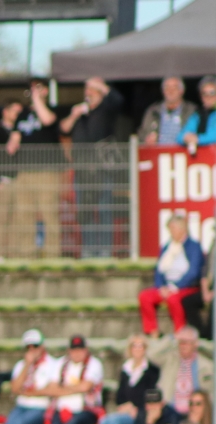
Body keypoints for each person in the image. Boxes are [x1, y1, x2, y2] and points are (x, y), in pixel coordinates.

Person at [60, 77, 126, 258]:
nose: (88, 94)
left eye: (92, 91)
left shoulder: (106, 109)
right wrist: (74, 115)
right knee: (85, 211)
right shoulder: (80, 113)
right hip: (82, 170)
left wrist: (101, 86)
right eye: (87, 91)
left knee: (104, 209)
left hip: (102, 169)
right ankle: (88, 251)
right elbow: (63, 129)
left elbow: (118, 100)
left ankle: (105, 251)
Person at [142, 214, 205, 337]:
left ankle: (179, 331)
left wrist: (175, 286)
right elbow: (159, 270)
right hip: (166, 287)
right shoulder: (166, 247)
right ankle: (152, 331)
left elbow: (193, 272)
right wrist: (161, 287)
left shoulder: (194, 246)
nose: (171, 232)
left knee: (173, 299)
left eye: (173, 229)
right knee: (145, 297)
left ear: (182, 229)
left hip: (186, 287)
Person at [157, 324, 212, 419]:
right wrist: (172, 338)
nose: (183, 346)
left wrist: (200, 343)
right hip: (171, 411)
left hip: (196, 412)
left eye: (187, 342)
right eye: (181, 342)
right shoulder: (170, 359)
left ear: (195, 343)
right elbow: (151, 353)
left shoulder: (206, 365)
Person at [140, 76, 193, 146]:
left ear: (181, 91)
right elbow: (141, 134)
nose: (170, 91)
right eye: (167, 88)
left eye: (174, 88)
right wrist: (147, 138)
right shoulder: (153, 112)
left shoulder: (191, 111)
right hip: (158, 151)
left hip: (182, 151)